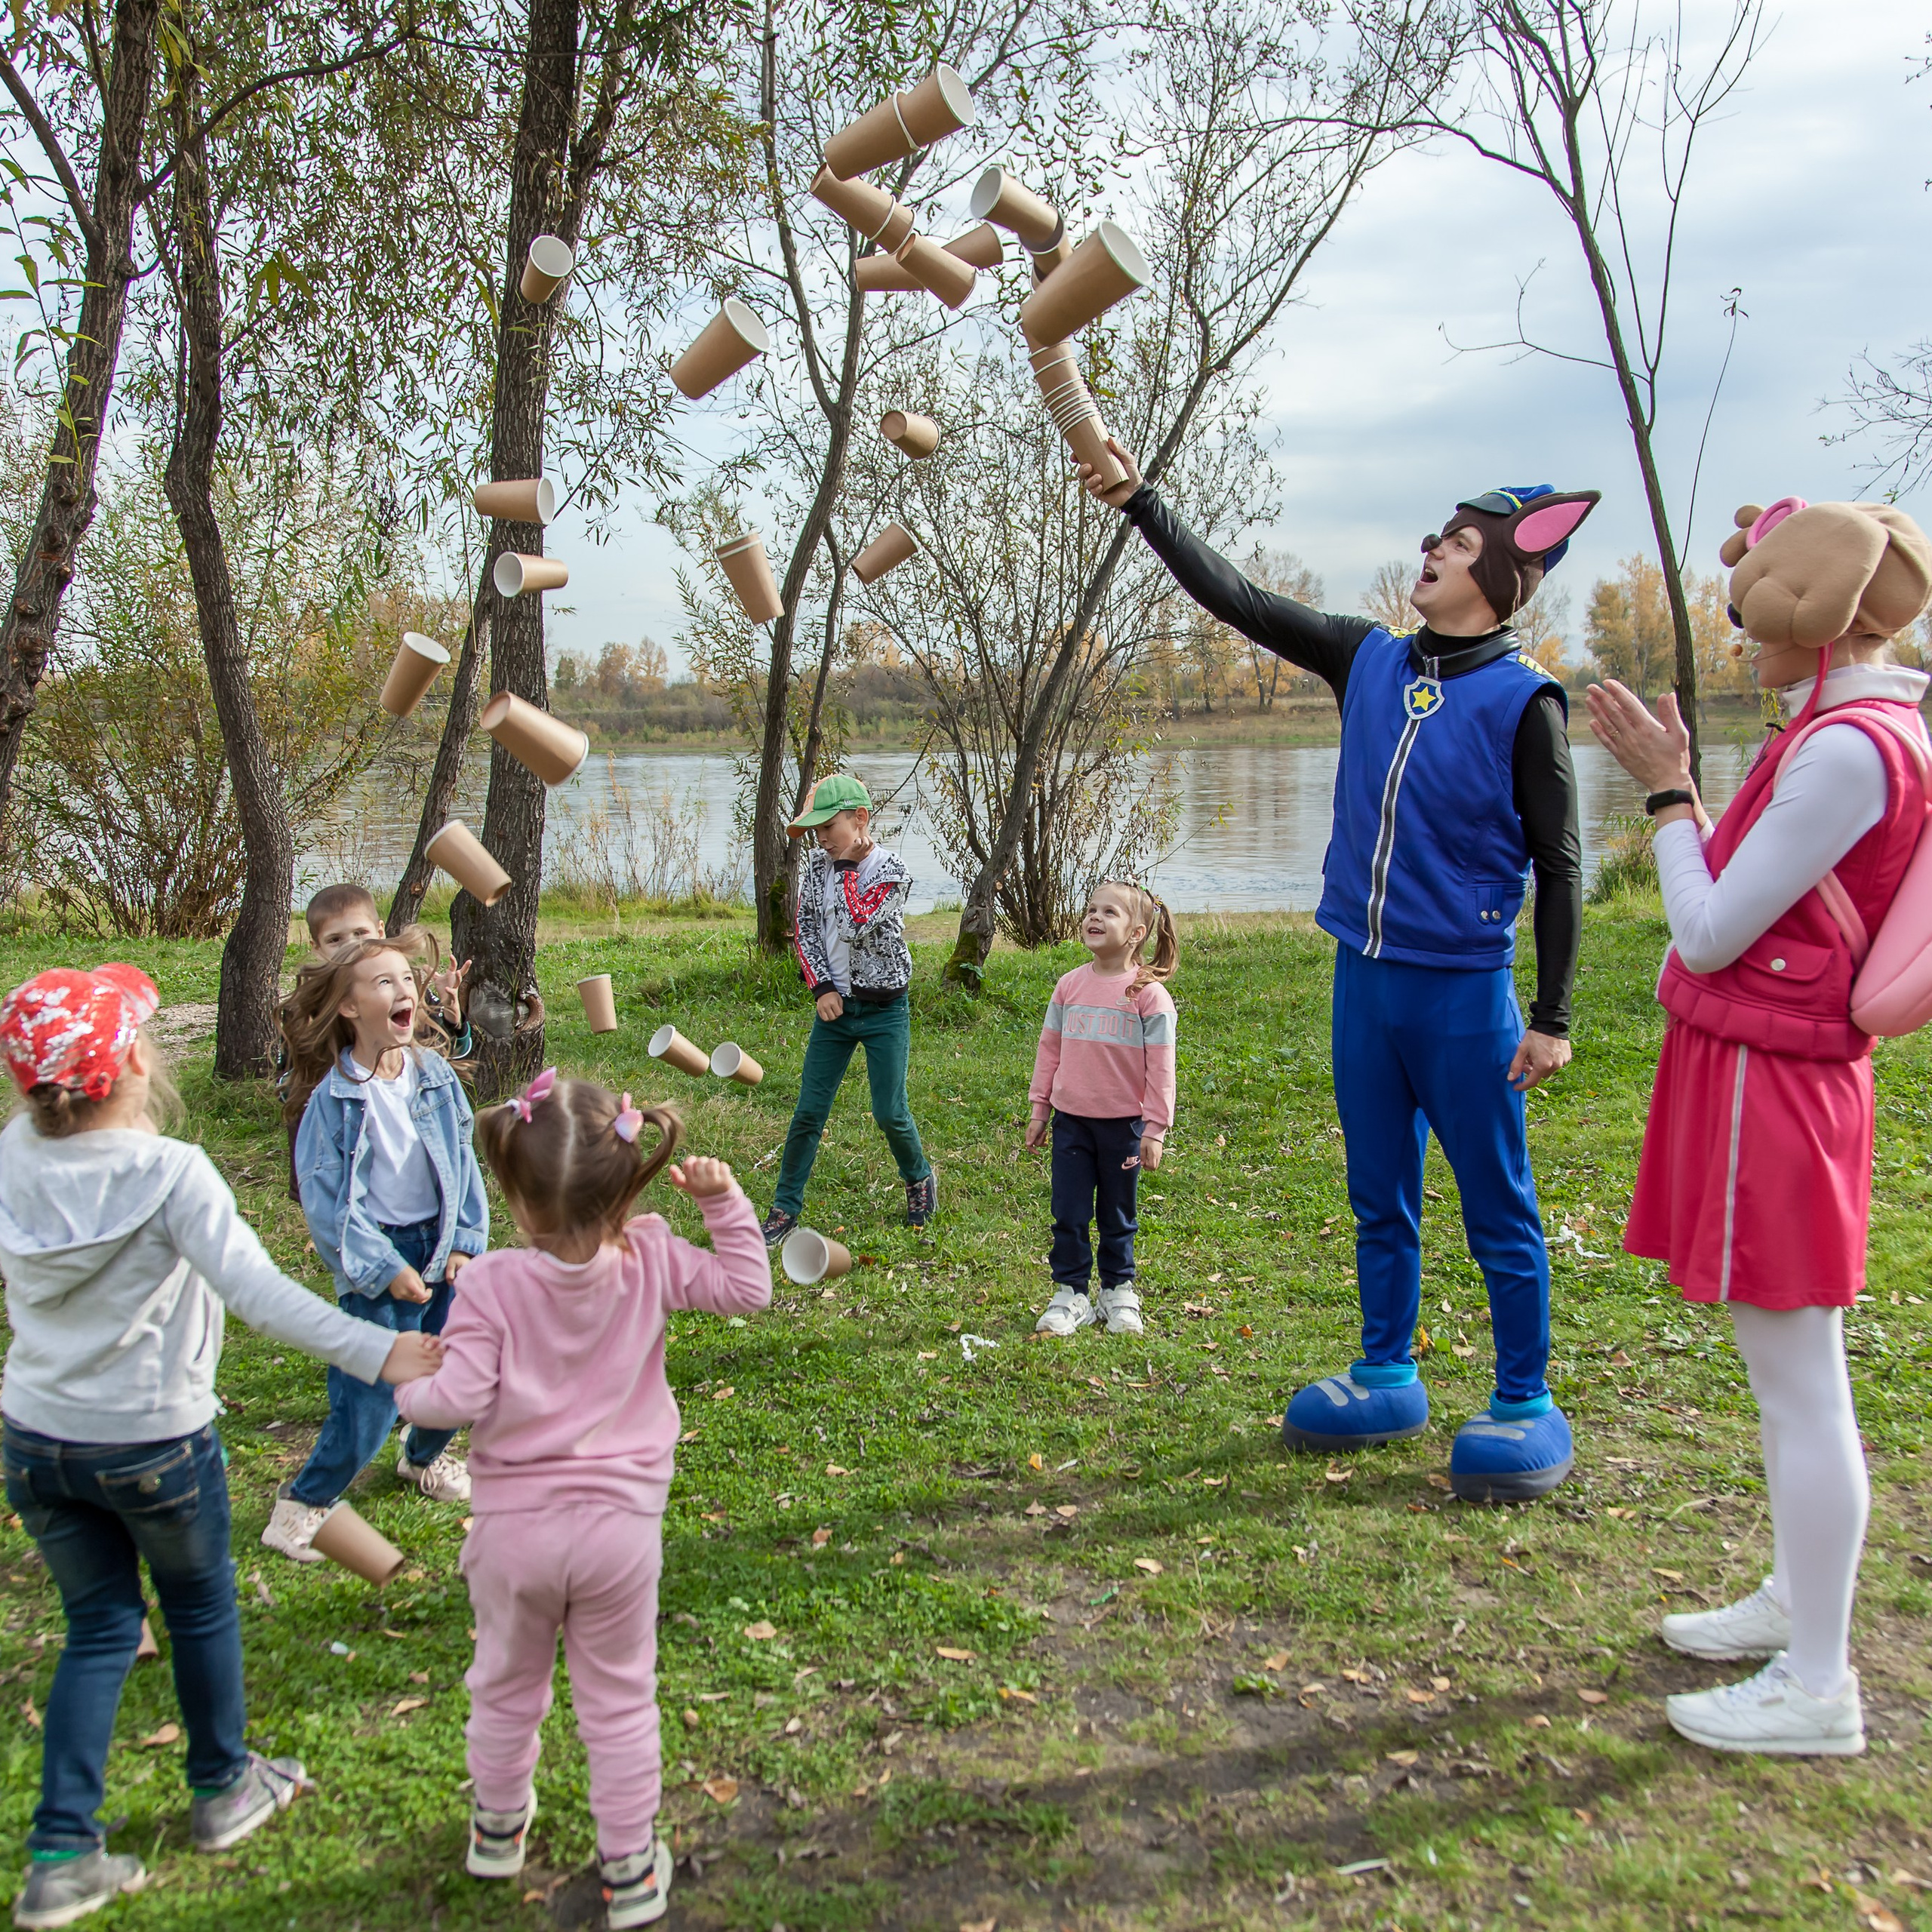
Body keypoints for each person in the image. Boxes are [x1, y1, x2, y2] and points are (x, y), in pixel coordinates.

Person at [1080, 438, 1597, 1501]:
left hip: (1462, 995)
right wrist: (1143, 503)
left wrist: (1550, 1015)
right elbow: (1241, 598)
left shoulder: (1526, 701)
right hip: (1363, 983)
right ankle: (1387, 1369)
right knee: (1380, 1193)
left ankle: (1523, 1399)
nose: (1433, 551)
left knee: (1497, 1201)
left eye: (1457, 545)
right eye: (1437, 538)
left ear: (1501, 575)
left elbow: (1561, 867)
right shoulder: (1369, 657)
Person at [1586, 495, 1932, 1756]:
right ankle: (1801, 1602)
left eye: (1758, 620)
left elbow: (1712, 925)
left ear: (1823, 629)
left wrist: (1670, 796)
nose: (1743, 639)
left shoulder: (1850, 750)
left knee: (1801, 1385)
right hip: (1765, 1073)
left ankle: (1820, 1684)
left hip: (1775, 1087)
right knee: (1790, 1376)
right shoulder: (1847, 729)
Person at [0, 964, 444, 1929]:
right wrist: (382, 1352)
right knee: (197, 1609)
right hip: (153, 1440)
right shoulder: (170, 1175)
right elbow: (264, 1296)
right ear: (131, 1064)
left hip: (36, 1442)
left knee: (102, 1627)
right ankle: (222, 1790)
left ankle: (63, 1853)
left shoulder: (10, 1156)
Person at [391, 1072, 770, 1928]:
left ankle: (495, 1830)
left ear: (521, 1207)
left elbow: (449, 1402)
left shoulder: (488, 1283)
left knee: (503, 1684)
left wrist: (410, 1386)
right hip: (619, 1537)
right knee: (618, 1699)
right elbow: (750, 1290)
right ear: (627, 1180)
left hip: (511, 1536)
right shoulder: (655, 1256)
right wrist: (726, 1203)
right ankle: (631, 1869)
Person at [260, 937, 489, 1563]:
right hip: (377, 1257)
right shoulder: (332, 1103)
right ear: (348, 1009)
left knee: (458, 1369)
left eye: (405, 980)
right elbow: (330, 1208)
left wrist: (464, 1245)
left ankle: (424, 1459)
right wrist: (386, 1270)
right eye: (382, 984)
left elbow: (463, 1164)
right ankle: (300, 1508)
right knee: (370, 1399)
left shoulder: (434, 1076)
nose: (404, 991)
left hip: (439, 1245)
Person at [761, 773, 936, 1249]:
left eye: (828, 827)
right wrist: (821, 989)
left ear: (860, 819)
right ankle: (784, 1208)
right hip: (835, 1011)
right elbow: (808, 931)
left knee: (889, 1111)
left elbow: (857, 923)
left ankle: (919, 1178)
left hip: (884, 1009)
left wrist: (845, 870)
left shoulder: (893, 870)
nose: (821, 840)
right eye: (815, 832)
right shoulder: (817, 868)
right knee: (808, 1112)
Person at [1027, 880, 1179, 1338]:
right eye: (1091, 909)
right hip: (1072, 1123)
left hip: (1124, 1128)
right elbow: (1049, 1051)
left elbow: (1162, 1068)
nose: (1094, 917)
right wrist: (1040, 1110)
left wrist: (1154, 1128)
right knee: (1069, 1211)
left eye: (1108, 912)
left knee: (1117, 1213)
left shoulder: (1148, 995)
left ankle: (1118, 1291)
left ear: (1135, 934)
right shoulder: (1069, 986)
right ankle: (1070, 1293)